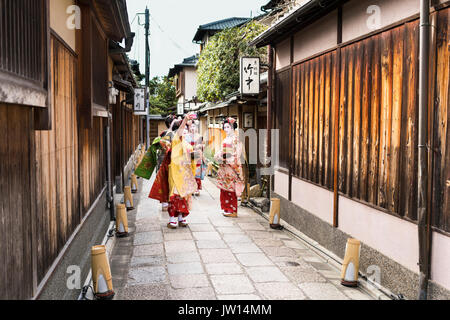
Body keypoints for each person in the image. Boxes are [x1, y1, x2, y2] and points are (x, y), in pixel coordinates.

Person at [150, 113, 198, 229]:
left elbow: (193, 160)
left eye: (186, 130)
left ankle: (177, 220)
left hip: (183, 173)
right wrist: (185, 119)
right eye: (183, 130)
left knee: (180, 195)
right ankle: (177, 219)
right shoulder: (176, 140)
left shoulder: (187, 145)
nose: (185, 132)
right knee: (176, 195)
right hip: (176, 172)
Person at [214, 117, 244, 218]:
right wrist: (218, 156)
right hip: (224, 166)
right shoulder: (225, 139)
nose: (226, 129)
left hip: (231, 167)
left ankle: (233, 210)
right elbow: (221, 150)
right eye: (225, 127)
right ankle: (226, 208)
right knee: (224, 188)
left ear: (233, 128)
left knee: (231, 188)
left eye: (228, 127)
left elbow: (237, 154)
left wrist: (227, 159)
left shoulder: (237, 139)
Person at [186, 119, 206, 196]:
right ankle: (190, 188)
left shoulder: (200, 136)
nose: (193, 128)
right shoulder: (186, 136)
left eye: (194, 126)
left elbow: (203, 146)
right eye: (191, 126)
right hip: (189, 155)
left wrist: (201, 146)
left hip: (197, 155)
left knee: (197, 173)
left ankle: (197, 188)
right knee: (190, 172)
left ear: (197, 127)